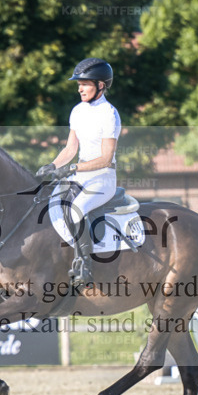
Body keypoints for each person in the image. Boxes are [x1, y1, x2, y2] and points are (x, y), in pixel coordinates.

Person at [36, 57, 121, 285]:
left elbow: (105, 158)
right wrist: (52, 166)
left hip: (102, 179)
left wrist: (72, 167)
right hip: (80, 176)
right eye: (78, 84)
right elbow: (71, 147)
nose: (80, 88)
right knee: (47, 204)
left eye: (85, 84)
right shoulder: (77, 111)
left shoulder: (109, 114)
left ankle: (85, 265)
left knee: (75, 211)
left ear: (101, 85)